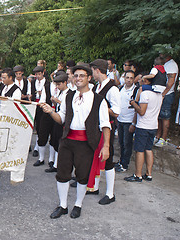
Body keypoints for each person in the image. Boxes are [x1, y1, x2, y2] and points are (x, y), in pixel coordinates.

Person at [41, 64, 110, 219]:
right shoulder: (69, 96)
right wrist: (51, 111)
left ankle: (78, 204)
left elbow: (105, 125)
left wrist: (106, 147)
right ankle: (63, 205)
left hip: (86, 143)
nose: (78, 78)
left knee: (82, 176)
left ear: (89, 78)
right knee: (62, 174)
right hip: (67, 140)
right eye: (76, 76)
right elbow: (61, 119)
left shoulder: (99, 100)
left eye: (82, 76)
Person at [90, 59, 121, 205]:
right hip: (97, 126)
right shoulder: (97, 86)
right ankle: (94, 187)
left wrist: (101, 107)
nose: (92, 74)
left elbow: (116, 112)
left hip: (107, 126)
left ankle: (110, 193)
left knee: (107, 159)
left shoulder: (112, 89)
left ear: (97, 70)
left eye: (92, 71)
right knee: (96, 156)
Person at [125, 76, 163, 182]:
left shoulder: (145, 94)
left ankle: (138, 175)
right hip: (153, 125)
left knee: (139, 150)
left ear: (146, 81)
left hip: (143, 126)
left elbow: (141, 112)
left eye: (141, 80)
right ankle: (148, 174)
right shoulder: (159, 94)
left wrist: (133, 103)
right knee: (148, 149)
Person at [45, 73, 69, 173]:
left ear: (65, 83)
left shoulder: (69, 93)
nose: (58, 87)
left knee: (60, 142)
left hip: (63, 120)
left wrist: (57, 101)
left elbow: (66, 107)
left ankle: (58, 165)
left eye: (59, 84)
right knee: (55, 140)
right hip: (57, 116)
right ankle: (55, 163)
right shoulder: (61, 92)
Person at [154, 54, 179, 147]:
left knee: (165, 116)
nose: (160, 54)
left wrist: (164, 93)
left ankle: (163, 138)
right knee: (159, 116)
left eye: (162, 53)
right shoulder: (165, 64)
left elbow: (171, 81)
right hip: (161, 93)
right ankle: (157, 135)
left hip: (167, 94)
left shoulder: (171, 65)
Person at [116, 70, 137, 172]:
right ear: (124, 78)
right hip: (120, 120)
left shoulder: (136, 90)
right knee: (121, 142)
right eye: (127, 77)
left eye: (131, 78)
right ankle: (121, 161)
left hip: (129, 121)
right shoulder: (120, 89)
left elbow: (137, 108)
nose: (129, 80)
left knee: (127, 143)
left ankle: (125, 164)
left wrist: (133, 123)